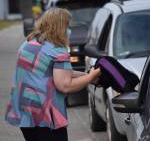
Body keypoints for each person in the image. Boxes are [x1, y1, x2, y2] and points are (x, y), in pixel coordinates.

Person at [5, 8, 101, 141]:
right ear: (60, 27)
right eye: (67, 25)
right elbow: (65, 85)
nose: (69, 30)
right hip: (46, 118)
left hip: (26, 115)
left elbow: (59, 73)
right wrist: (91, 77)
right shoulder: (57, 49)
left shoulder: (27, 44)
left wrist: (86, 76)